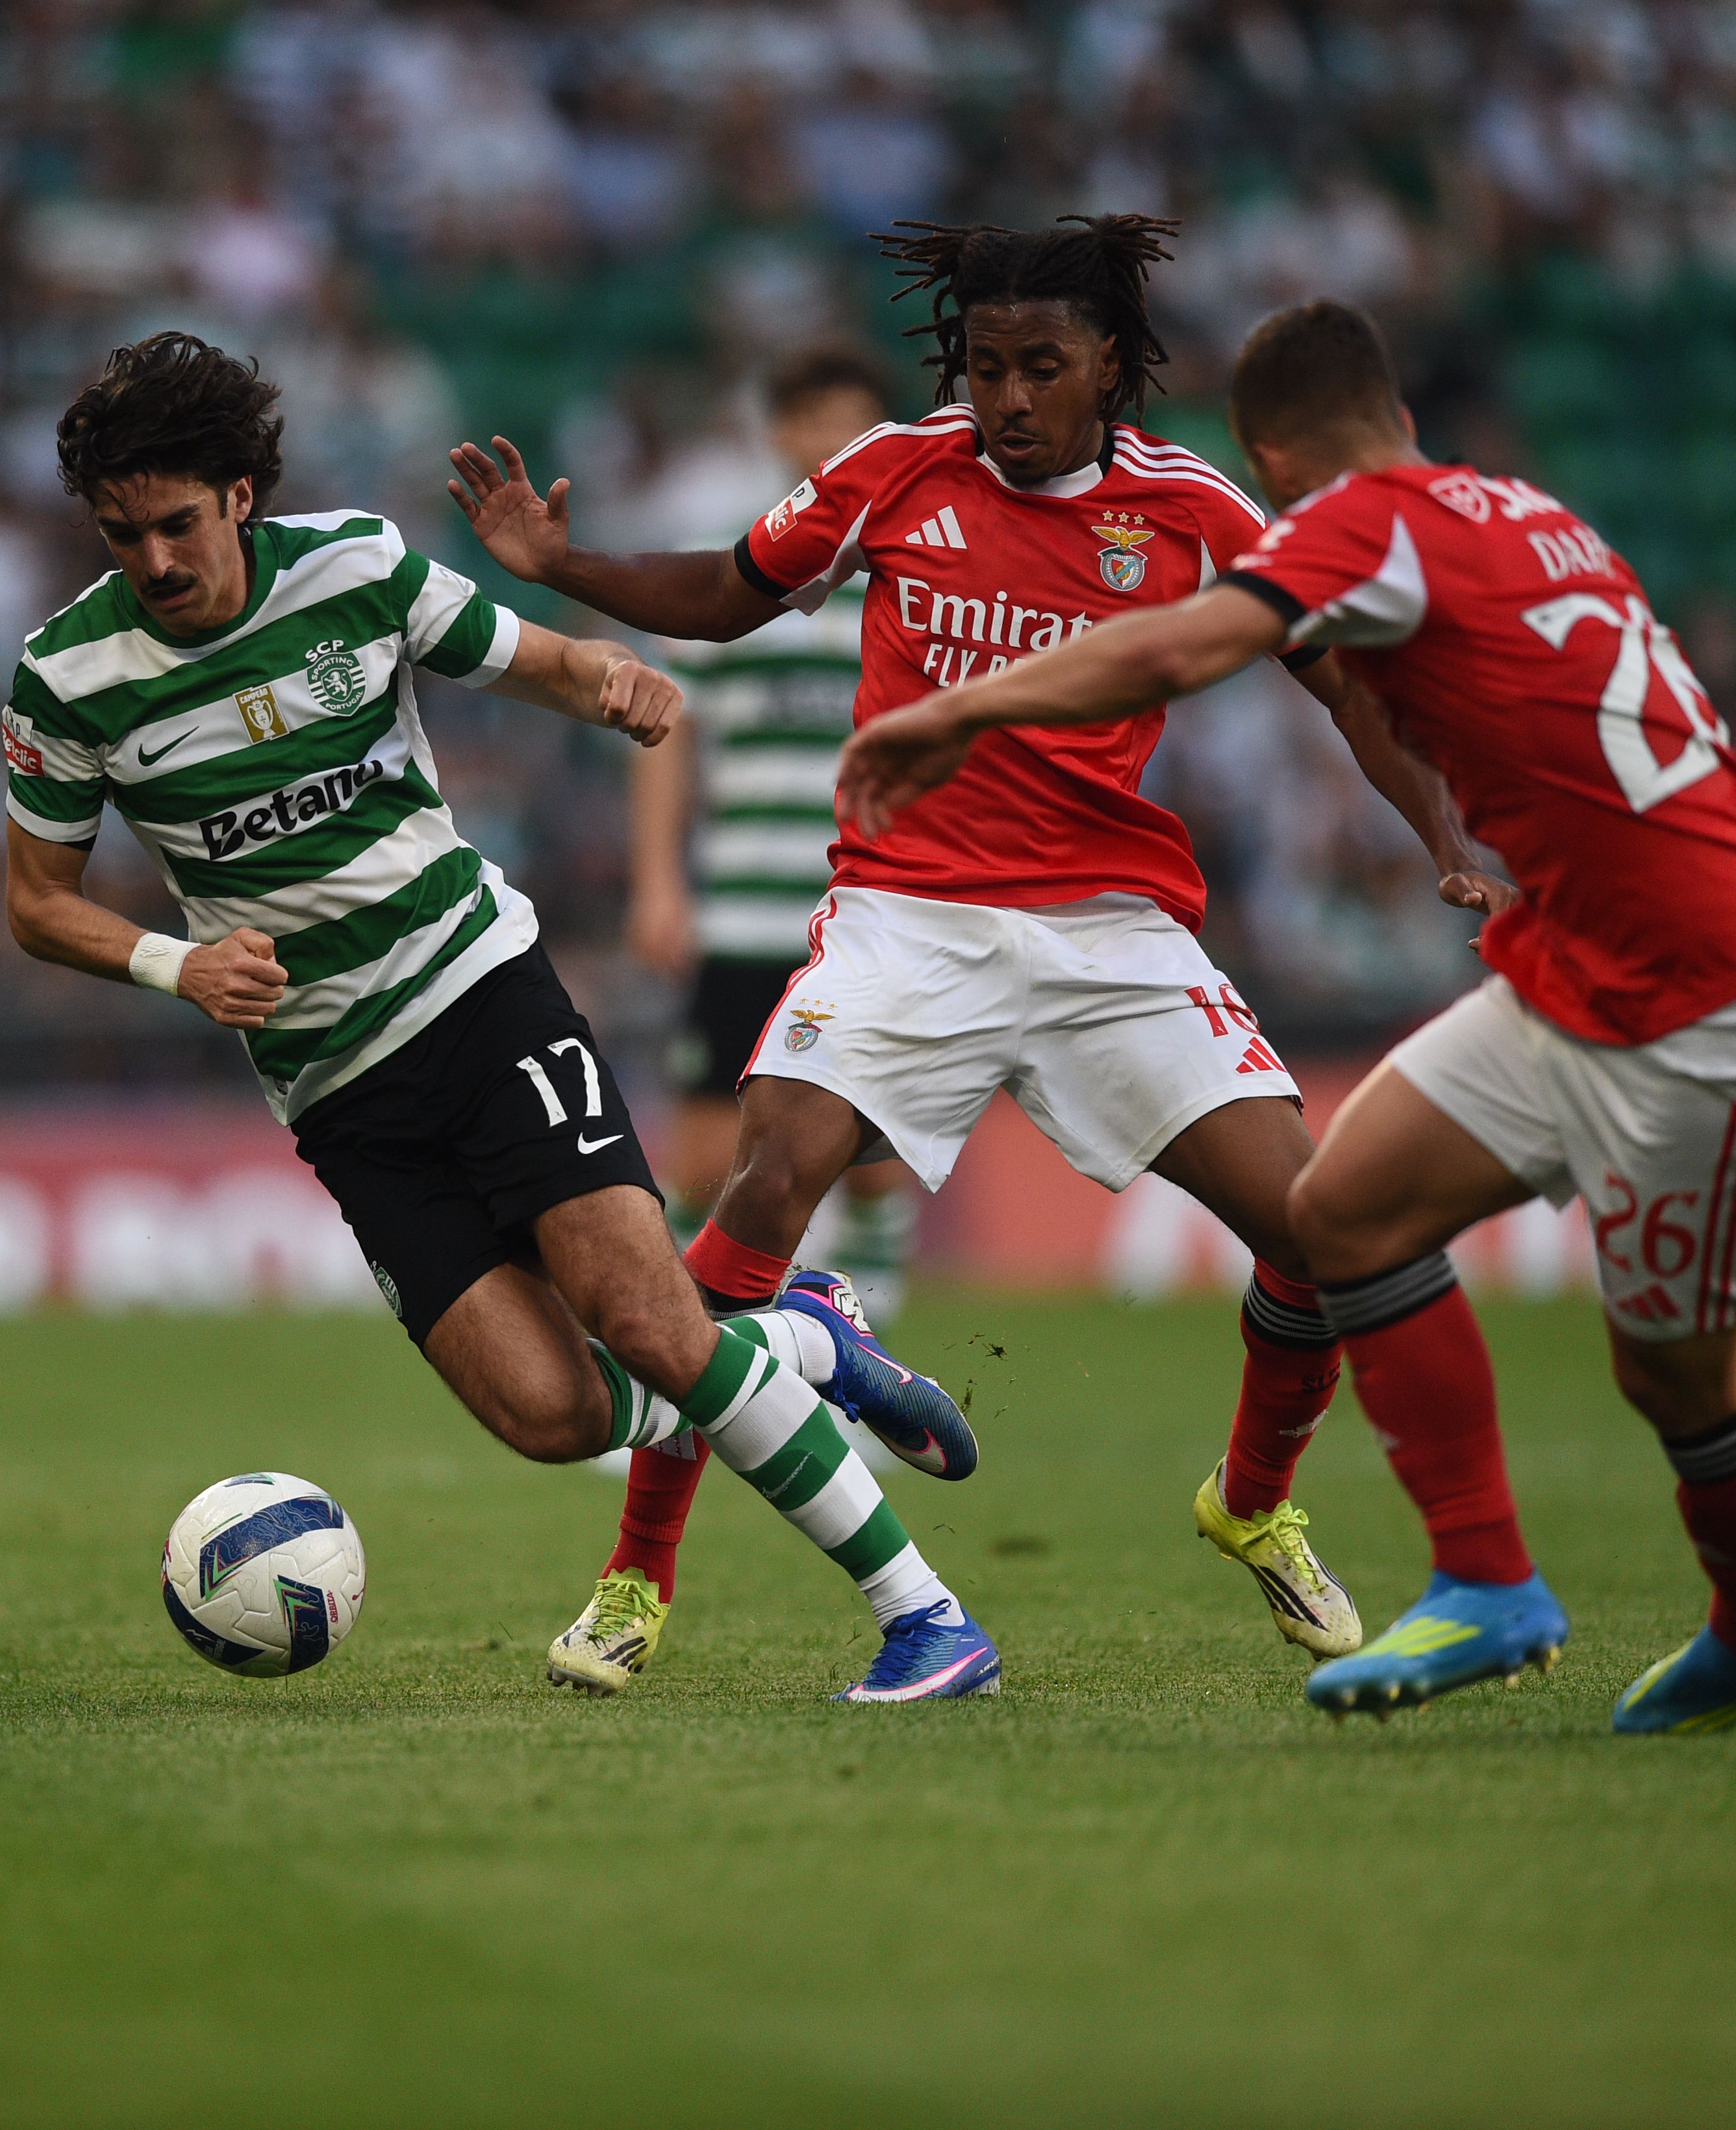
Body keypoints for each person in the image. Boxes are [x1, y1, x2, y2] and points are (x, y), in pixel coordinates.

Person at [449, 218, 1500, 1694]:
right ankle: (637, 1576)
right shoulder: (896, 469)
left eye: (1040, 368)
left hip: (1110, 930)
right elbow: (728, 594)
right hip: (910, 912)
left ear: (1111, 366)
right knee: (763, 1187)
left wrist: (1444, 830)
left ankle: (1254, 1500)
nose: (1007, 397)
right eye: (985, 366)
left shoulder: (1193, 506)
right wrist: (564, 563)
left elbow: (1349, 691)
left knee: (1323, 1236)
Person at [841, 299, 1736, 1734]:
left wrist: (960, 711)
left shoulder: (1364, 522)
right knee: (1343, 1213)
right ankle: (1487, 1581)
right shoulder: (1522, 512)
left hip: (1719, 1012)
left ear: (1273, 464)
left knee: (1676, 1370)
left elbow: (1178, 647)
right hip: (1579, 972)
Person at [5, 332, 998, 1701]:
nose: (156, 560)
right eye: (124, 535)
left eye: (178, 523)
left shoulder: (355, 568)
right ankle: (804, 1339)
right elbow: (36, 902)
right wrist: (178, 965)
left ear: (241, 493)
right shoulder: (68, 675)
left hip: (479, 997)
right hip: (339, 1093)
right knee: (550, 1415)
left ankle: (927, 1618)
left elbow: (527, 658)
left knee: (649, 1322)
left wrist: (612, 682)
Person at [629, 347, 921, 1323]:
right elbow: (666, 734)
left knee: (875, 1165)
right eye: (817, 420)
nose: (836, 441)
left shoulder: (920, 578)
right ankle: (688, 1359)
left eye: (856, 423)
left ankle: (871, 1358)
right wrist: (658, 884)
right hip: (746, 911)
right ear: (783, 433)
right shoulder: (731, 571)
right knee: (704, 1165)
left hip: (873, 916)